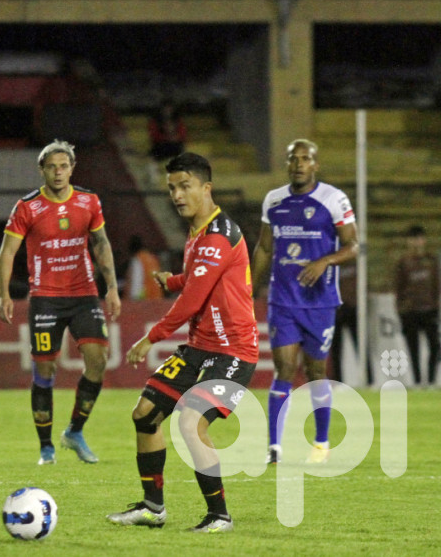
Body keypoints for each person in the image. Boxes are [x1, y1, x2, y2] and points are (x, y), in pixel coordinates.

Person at [107, 152, 258, 533]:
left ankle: (219, 515)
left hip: (232, 353)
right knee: (145, 413)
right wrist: (171, 280)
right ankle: (152, 508)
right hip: (199, 348)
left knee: (191, 423)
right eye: (172, 187)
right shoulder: (197, 233)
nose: (177, 194)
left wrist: (151, 337)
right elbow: (196, 280)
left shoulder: (219, 234)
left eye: (185, 185)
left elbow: (192, 300)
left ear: (206, 188)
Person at [0, 139, 122, 466]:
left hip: (83, 294)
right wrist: (4, 294)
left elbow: (102, 243)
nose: (58, 172)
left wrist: (112, 287)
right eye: (51, 167)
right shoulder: (27, 207)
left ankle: (74, 432)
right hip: (46, 298)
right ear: (42, 170)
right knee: (45, 368)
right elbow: (7, 252)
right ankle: (46, 447)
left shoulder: (89, 201)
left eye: (63, 166)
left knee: (98, 359)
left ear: (72, 168)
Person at [251, 139, 359, 466]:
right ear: (287, 164)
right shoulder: (274, 200)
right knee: (284, 368)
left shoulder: (334, 199)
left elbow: (353, 246)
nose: (298, 164)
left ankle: (322, 442)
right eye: (293, 159)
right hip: (282, 300)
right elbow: (265, 249)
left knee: (315, 372)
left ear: (315, 164)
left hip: (320, 301)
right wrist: (249, 290)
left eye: (305, 159)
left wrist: (325, 261)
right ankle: (275, 447)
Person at [395, 224, 439, 386]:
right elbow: (398, 287)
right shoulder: (403, 262)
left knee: (435, 347)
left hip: (429, 310)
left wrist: (436, 305)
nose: (416, 243)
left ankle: (432, 380)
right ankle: (418, 381)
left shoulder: (432, 261)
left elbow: (436, 285)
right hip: (410, 311)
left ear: (424, 241)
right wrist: (400, 310)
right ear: (408, 242)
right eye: (412, 239)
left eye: (418, 239)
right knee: (413, 349)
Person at [328, 262, 371, 385]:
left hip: (354, 309)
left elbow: (364, 285)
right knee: (336, 349)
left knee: (362, 346)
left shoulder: (357, 264)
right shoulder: (330, 265)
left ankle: (368, 380)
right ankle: (337, 381)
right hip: (336, 310)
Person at [122, 234, 164, 301]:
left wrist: (130, 302)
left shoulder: (137, 260)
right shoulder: (153, 259)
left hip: (143, 301)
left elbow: (135, 282)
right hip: (156, 299)